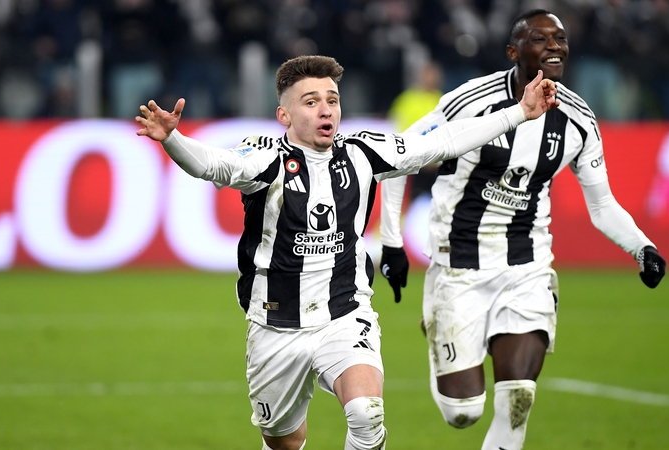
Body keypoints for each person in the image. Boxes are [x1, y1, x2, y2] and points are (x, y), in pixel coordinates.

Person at [135, 55, 559, 450]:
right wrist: (173, 139)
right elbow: (214, 164)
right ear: (284, 115)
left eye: (332, 100)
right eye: (311, 101)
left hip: (344, 313)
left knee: (366, 413)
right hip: (275, 323)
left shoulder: (362, 152)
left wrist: (519, 112)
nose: (325, 110)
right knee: (285, 439)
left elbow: (443, 142)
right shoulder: (264, 158)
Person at [378, 10, 667, 450]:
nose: (554, 46)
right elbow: (398, 160)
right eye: (540, 39)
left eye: (561, 38)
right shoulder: (469, 102)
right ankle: (440, 327)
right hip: (458, 269)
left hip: (526, 267)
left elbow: (602, 203)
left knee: (518, 399)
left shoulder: (578, 120)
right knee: (463, 412)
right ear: (514, 53)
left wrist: (642, 247)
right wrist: (392, 242)